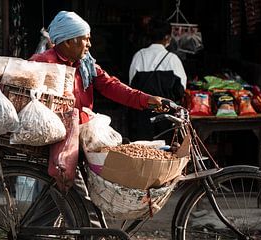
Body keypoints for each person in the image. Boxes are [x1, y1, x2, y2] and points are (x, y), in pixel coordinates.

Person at [29, 11, 164, 228]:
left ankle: (29, 232)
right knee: (80, 200)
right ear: (70, 40)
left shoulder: (85, 64)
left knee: (56, 199)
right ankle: (95, 233)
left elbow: (111, 86)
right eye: (86, 38)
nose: (89, 44)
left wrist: (146, 100)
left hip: (78, 138)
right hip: (57, 143)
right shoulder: (44, 63)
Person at [128, 17, 187, 142]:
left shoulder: (139, 56)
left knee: (144, 153)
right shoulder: (173, 59)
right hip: (167, 119)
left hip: (142, 118)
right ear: (167, 37)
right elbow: (181, 90)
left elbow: (130, 88)